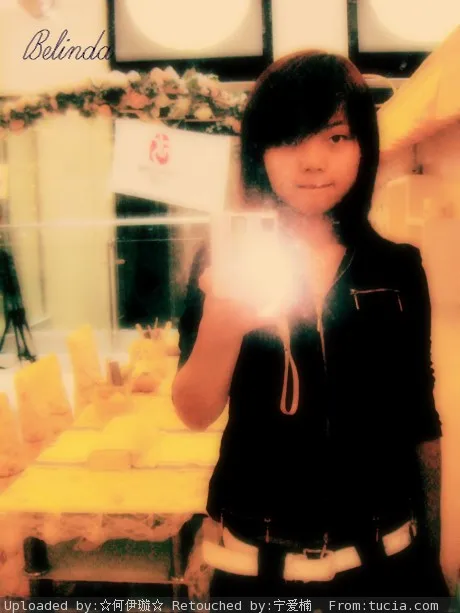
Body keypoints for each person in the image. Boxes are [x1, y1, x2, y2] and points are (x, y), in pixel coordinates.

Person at [172, 50, 449, 597]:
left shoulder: (396, 268)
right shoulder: (222, 263)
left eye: (336, 137)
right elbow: (194, 411)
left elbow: (419, 420)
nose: (313, 161)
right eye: (289, 140)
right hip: (255, 569)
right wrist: (225, 318)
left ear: (364, 145)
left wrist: (436, 561)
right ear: (259, 153)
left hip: (387, 564)